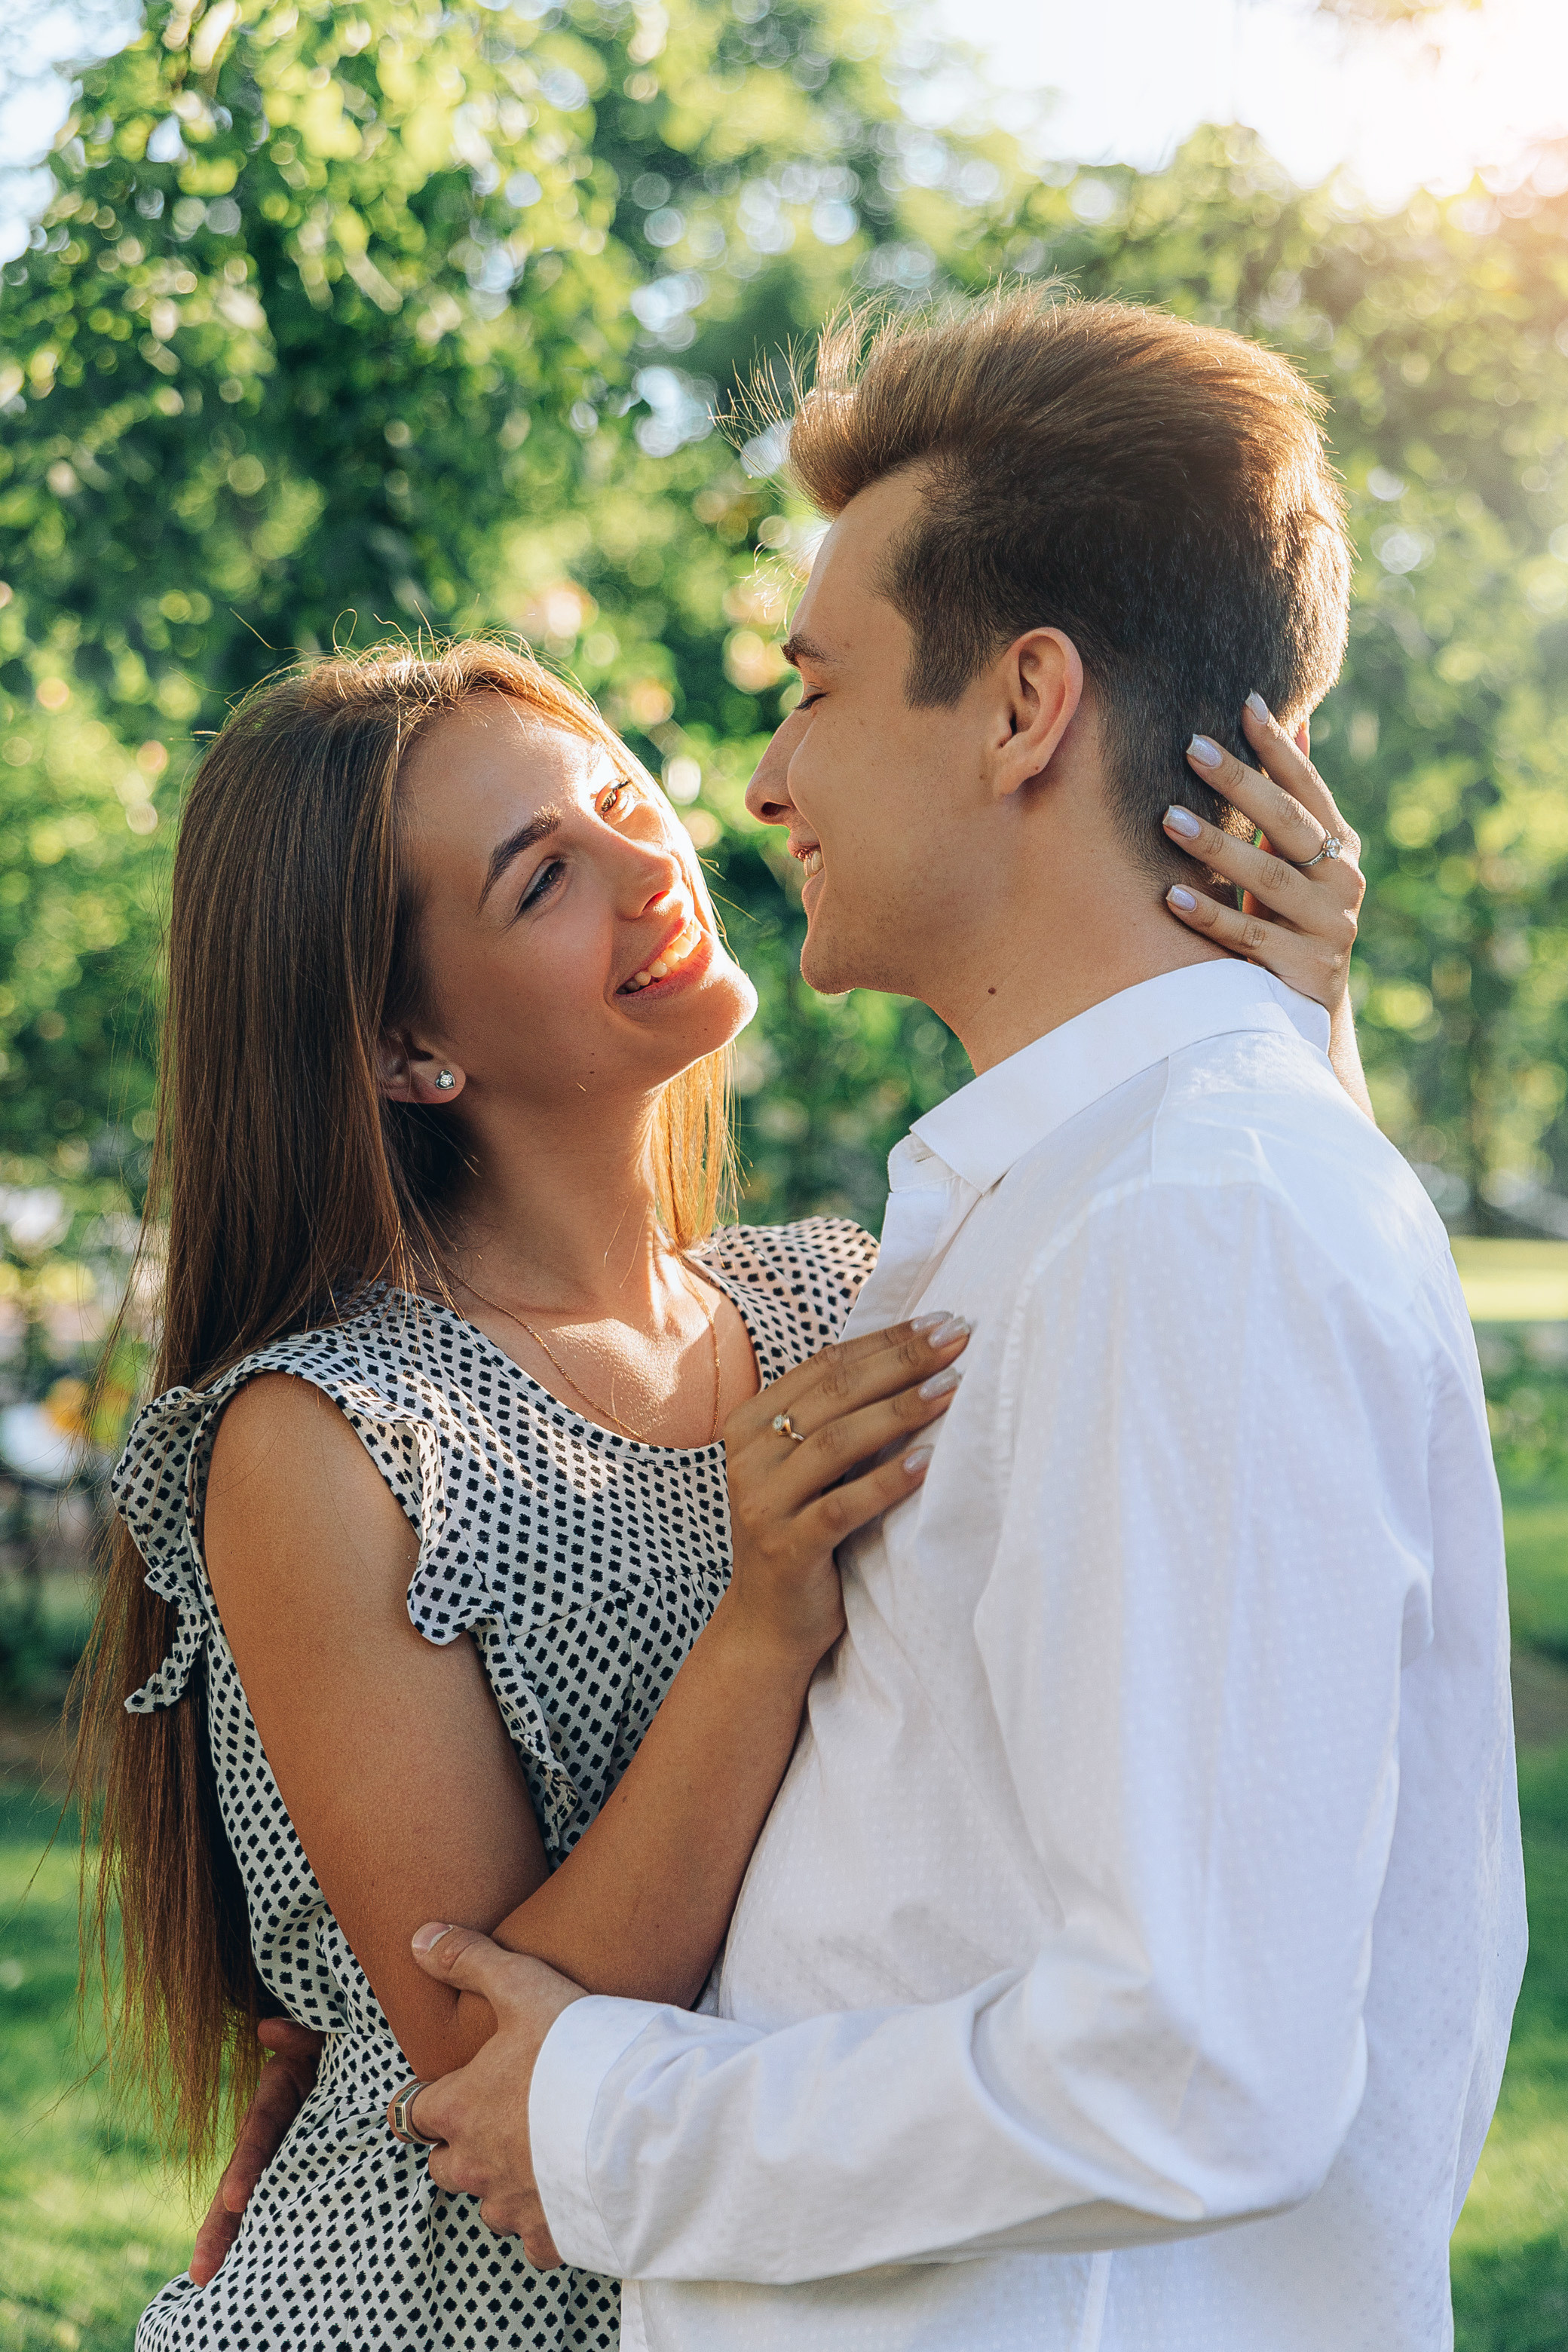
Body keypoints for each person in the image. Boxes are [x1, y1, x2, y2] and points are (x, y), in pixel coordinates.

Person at [382, 294, 1527, 2352]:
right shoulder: (1091, 1200)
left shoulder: (1195, 1218)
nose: (761, 777)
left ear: (1022, 708)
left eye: (815, 690)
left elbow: (1199, 2054)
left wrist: (622, 2124)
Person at [85, 626, 1334, 2352]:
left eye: (615, 800)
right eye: (540, 877)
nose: (647, 859)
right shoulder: (340, 1434)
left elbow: (1212, 1393)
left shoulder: (841, 1299)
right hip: (444, 2311)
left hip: (792, 2269)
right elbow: (490, 2061)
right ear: (402, 1049)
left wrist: (1289, 1022)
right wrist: (759, 1625)